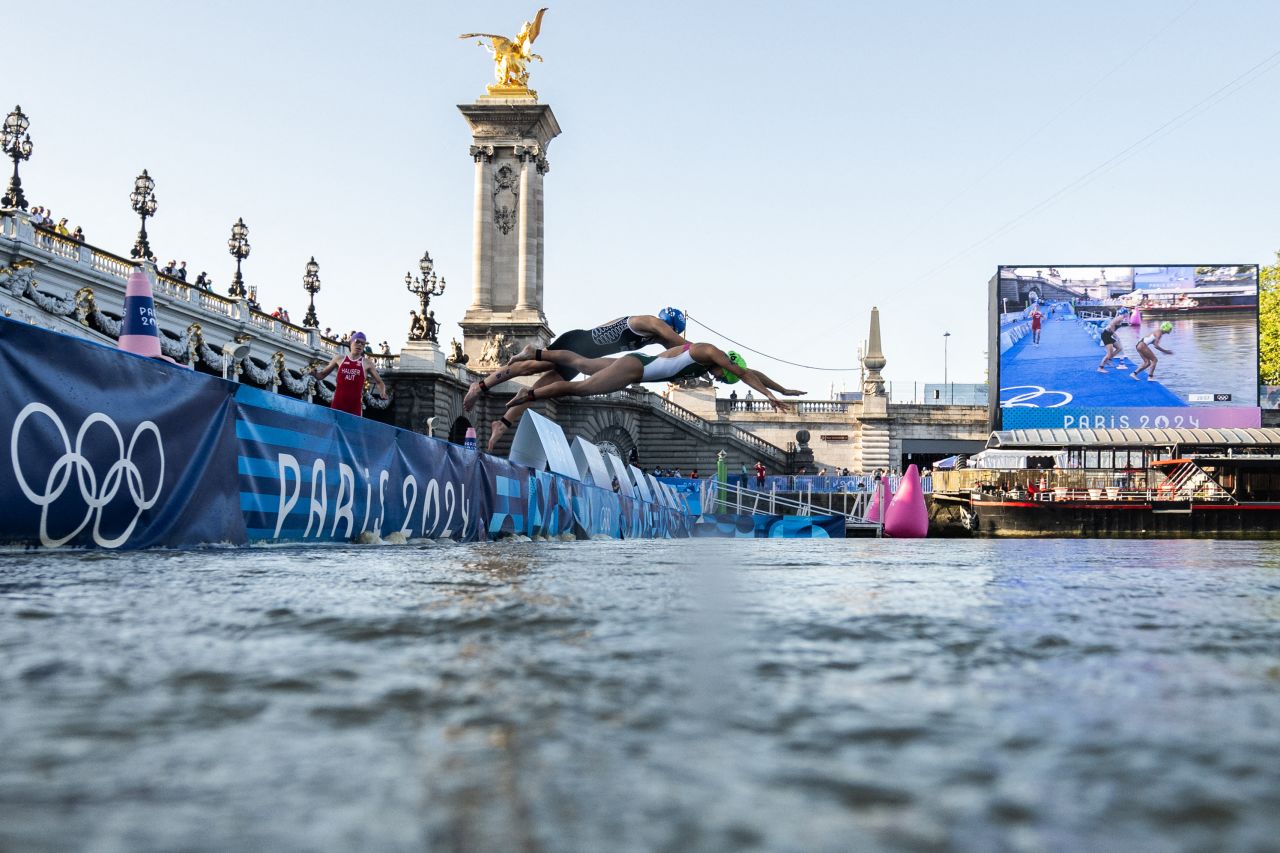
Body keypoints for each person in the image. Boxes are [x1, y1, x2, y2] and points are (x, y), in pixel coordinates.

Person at [465, 308, 690, 451]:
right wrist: (706, 356)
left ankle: (502, 423)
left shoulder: (652, 337)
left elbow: (673, 353)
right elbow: (680, 345)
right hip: (577, 343)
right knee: (530, 366)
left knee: (541, 389)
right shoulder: (651, 322)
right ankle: (481, 385)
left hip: (583, 356)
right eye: (672, 330)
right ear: (670, 325)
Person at [503, 342, 804, 414]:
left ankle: (535, 353)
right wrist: (769, 397)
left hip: (638, 364)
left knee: (582, 362)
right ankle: (526, 396)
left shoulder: (711, 360)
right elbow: (744, 373)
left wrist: (784, 389)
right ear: (723, 366)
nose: (719, 381)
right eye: (723, 378)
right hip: (635, 370)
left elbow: (753, 372)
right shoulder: (707, 352)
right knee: (580, 388)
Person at [311, 331, 387, 417]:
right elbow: (322, 375)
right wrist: (314, 373)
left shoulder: (367, 363)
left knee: (351, 430)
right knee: (334, 429)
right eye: (357, 342)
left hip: (354, 408)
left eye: (363, 344)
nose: (360, 345)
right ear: (351, 343)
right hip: (337, 405)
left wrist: (382, 392)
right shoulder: (339, 359)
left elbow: (379, 382)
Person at [1097, 307, 1131, 372]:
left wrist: (1113, 334)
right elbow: (1111, 324)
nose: (1128, 314)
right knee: (1109, 353)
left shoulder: (1121, 318)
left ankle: (1109, 359)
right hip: (1106, 335)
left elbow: (1113, 325)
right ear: (1125, 313)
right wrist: (1114, 334)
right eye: (1127, 313)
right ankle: (1101, 368)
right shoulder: (1120, 318)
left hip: (1109, 335)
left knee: (1119, 348)